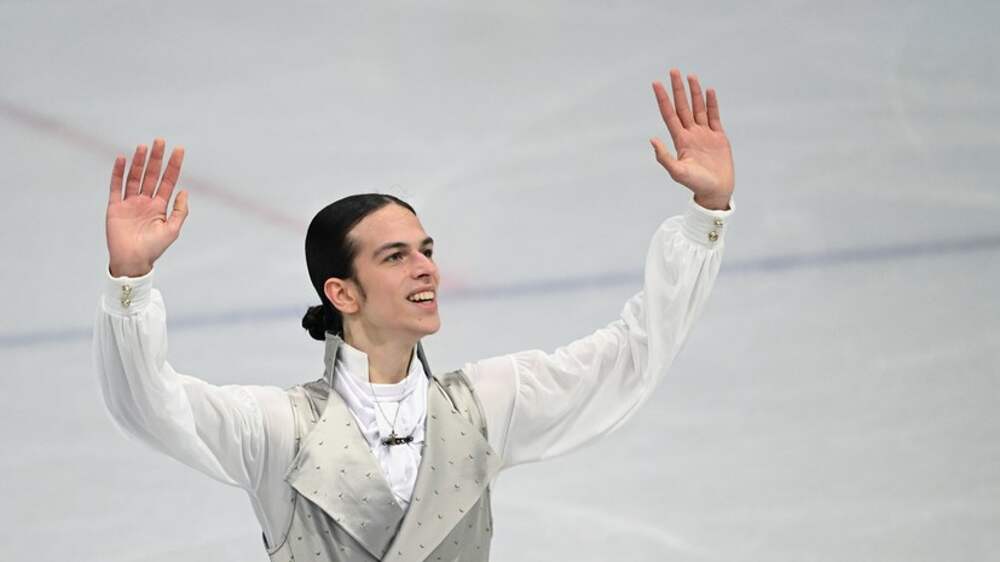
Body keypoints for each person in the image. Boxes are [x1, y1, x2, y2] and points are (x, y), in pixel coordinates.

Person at [93, 68, 735, 562]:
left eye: (426, 251)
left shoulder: (486, 405)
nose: (426, 268)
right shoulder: (279, 429)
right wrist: (131, 281)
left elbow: (634, 355)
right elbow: (149, 405)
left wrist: (706, 214)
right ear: (343, 292)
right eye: (396, 256)